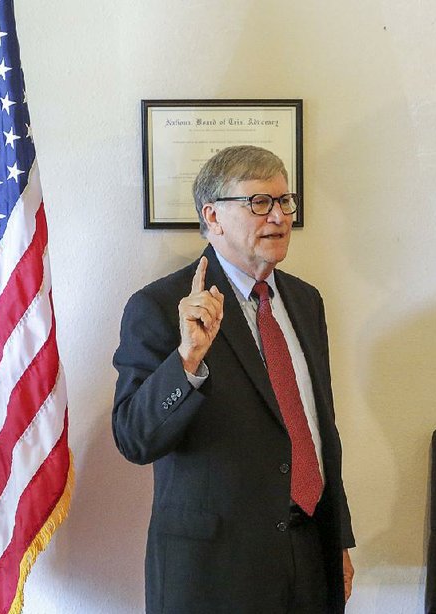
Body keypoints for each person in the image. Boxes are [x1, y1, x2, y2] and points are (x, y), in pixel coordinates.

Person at [112, 145, 355, 613]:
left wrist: (336, 538)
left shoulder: (306, 301)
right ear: (213, 216)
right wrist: (186, 360)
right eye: (259, 202)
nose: (279, 217)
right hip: (214, 572)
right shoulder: (161, 308)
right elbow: (133, 439)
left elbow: (317, 431)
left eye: (285, 202)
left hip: (308, 554)